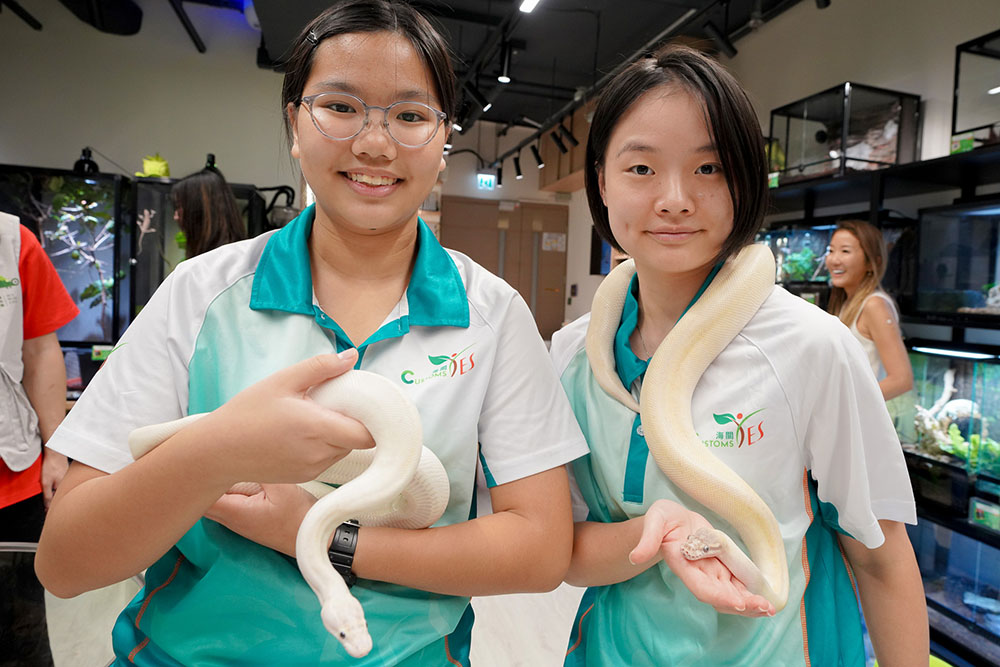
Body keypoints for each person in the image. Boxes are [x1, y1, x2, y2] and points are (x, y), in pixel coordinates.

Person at [34, 2, 588, 665]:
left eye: (411, 116)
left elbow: (540, 549)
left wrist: (316, 531)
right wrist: (219, 450)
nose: (375, 144)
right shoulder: (202, 295)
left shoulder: (493, 315)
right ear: (296, 123)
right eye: (341, 107)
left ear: (444, 142)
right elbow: (64, 562)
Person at [549, 45, 928, 666]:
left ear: (745, 181)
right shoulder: (572, 354)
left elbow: (881, 560)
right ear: (602, 183)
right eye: (641, 169)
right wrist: (659, 536)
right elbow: (560, 546)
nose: (674, 199)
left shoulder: (812, 347)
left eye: (709, 169)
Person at [0, 211, 78, 665]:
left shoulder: (13, 241)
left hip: (13, 472)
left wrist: (55, 451)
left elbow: (40, 348)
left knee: (20, 633)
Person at [825, 219, 913, 400]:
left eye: (845, 251)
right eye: (831, 251)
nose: (834, 260)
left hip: (864, 422)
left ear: (872, 261)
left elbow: (901, 380)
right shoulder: (845, 303)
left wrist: (846, 406)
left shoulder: (874, 305)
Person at [170, 157, 246, 258]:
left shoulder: (216, 261)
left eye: (179, 207)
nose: (175, 217)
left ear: (199, 212)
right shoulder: (237, 255)